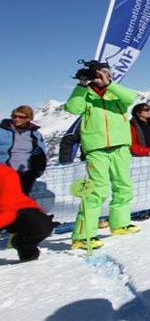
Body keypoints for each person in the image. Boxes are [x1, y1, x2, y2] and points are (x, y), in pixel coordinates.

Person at [65, 60, 140, 249]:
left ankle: (120, 224)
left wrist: (109, 84)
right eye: (97, 74)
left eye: (105, 73)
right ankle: (82, 235)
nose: (100, 77)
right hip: (96, 148)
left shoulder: (117, 93)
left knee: (123, 186)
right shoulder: (86, 95)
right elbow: (72, 108)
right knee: (98, 190)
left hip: (121, 146)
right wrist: (82, 85)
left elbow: (131, 98)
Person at [0, 164, 56, 262]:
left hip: (14, 211)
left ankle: (23, 246)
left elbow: (8, 211)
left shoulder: (6, 174)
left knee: (41, 226)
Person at [0, 106, 47, 195]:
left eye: (21, 117)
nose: (17, 119)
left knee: (22, 198)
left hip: (26, 173)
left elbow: (41, 153)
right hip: (4, 172)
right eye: (14, 116)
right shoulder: (2, 131)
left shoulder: (34, 134)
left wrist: (38, 170)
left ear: (29, 118)